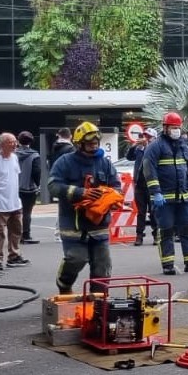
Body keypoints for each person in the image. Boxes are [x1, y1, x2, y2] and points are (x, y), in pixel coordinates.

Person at [49, 121, 121, 294]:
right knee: (76, 258)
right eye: (89, 143)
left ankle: (98, 299)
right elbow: (53, 186)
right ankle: (64, 285)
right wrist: (81, 193)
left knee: (102, 265)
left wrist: (108, 197)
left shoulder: (105, 163)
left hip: (99, 226)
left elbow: (116, 186)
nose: (93, 145)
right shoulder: (65, 162)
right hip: (73, 224)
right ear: (79, 144)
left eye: (96, 143)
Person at [142, 111, 188, 275]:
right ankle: (168, 264)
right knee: (166, 231)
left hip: (184, 198)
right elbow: (149, 170)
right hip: (164, 200)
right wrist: (156, 192)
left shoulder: (184, 147)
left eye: (178, 127)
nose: (175, 130)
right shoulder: (155, 147)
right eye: (173, 127)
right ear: (165, 127)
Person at [0, 132, 29, 272]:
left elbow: (15, 177)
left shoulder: (14, 158)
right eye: (11, 142)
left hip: (14, 202)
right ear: (2, 145)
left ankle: (14, 256)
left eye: (15, 142)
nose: (15, 144)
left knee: (16, 230)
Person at [125, 126, 158, 246]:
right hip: (140, 184)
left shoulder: (156, 149)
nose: (146, 139)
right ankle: (139, 236)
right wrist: (134, 145)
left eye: (149, 137)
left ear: (154, 139)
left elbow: (153, 158)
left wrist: (147, 146)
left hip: (152, 184)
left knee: (154, 211)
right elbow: (129, 157)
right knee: (141, 212)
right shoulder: (139, 148)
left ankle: (156, 235)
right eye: (145, 136)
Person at [16, 131, 43, 244]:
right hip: (29, 188)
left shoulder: (14, 154)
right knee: (27, 212)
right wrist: (37, 184)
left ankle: (15, 235)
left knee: (15, 213)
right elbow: (37, 172)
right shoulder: (34, 155)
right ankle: (26, 235)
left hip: (15, 187)